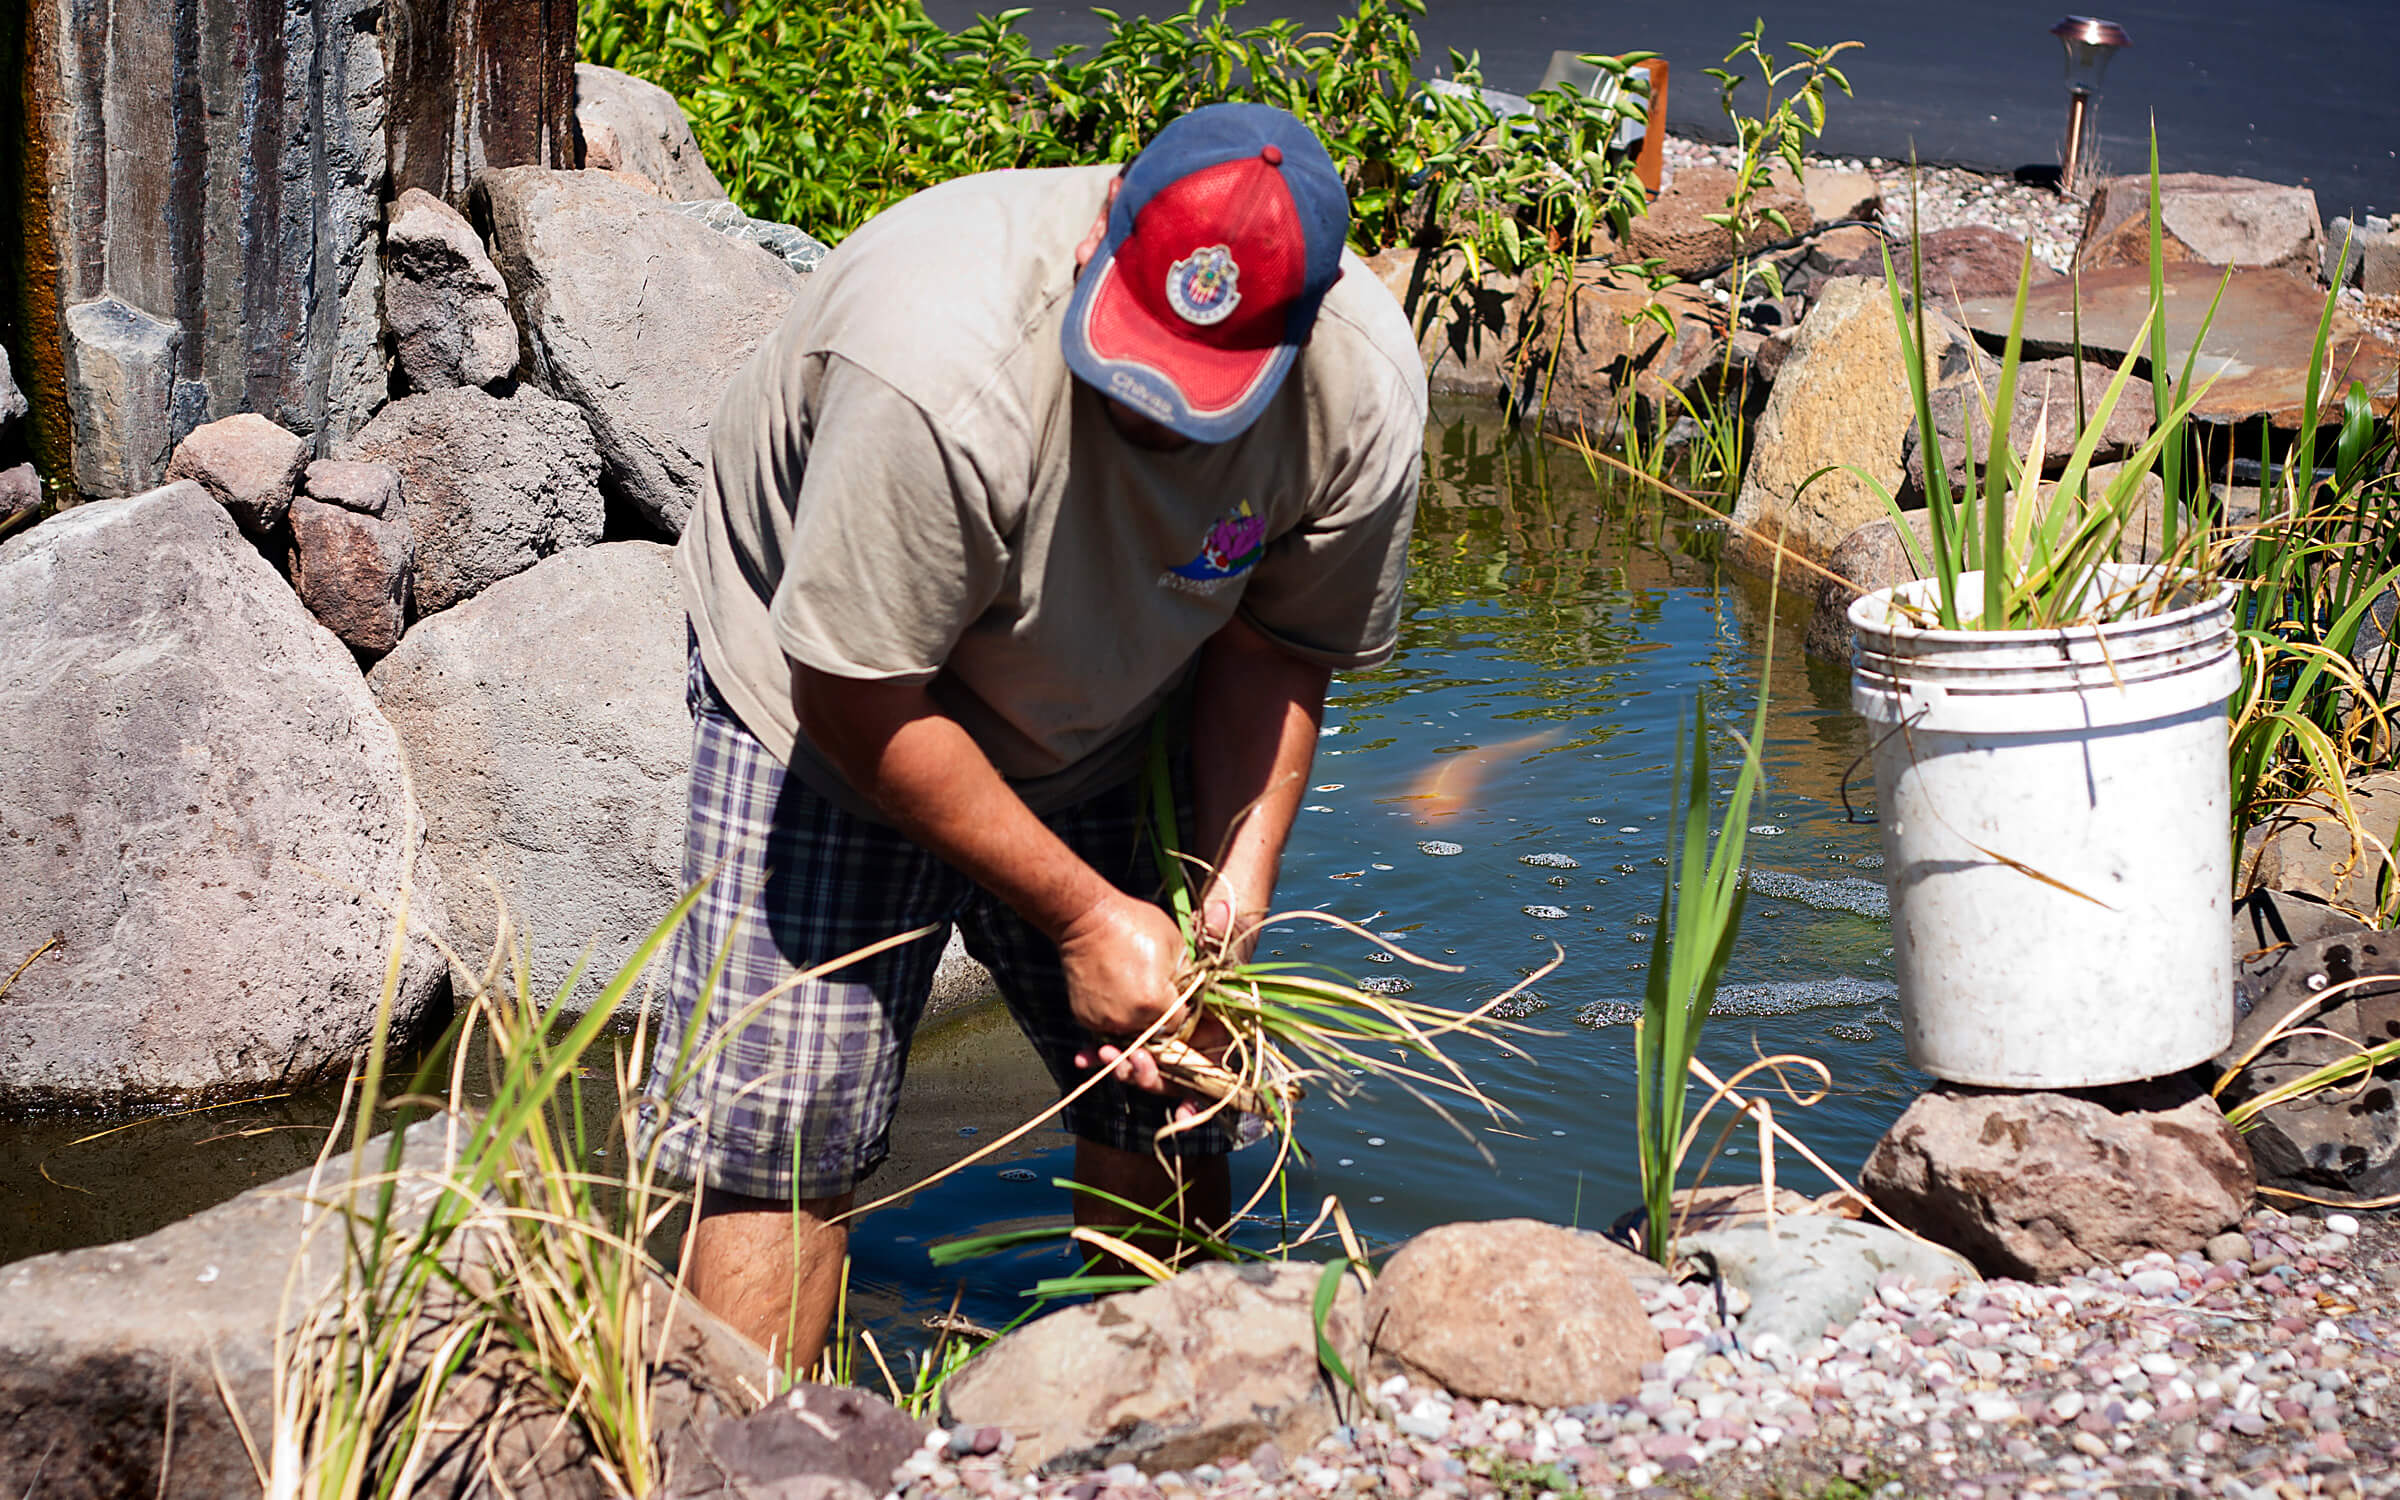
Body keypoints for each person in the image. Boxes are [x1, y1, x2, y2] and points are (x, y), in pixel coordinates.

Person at [642, 102, 1427, 1369]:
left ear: (1302, 332)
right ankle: (745, 1445)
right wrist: (1083, 915)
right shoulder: (935, 365)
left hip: (1115, 698)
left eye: (1206, 397)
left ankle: (1149, 1419)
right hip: (830, 705)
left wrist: (1225, 915)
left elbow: (1275, 647)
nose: (1159, 417)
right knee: (778, 1136)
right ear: (1093, 242)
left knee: (1168, 1090)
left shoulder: (1362, 392)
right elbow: (860, 697)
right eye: (1136, 363)